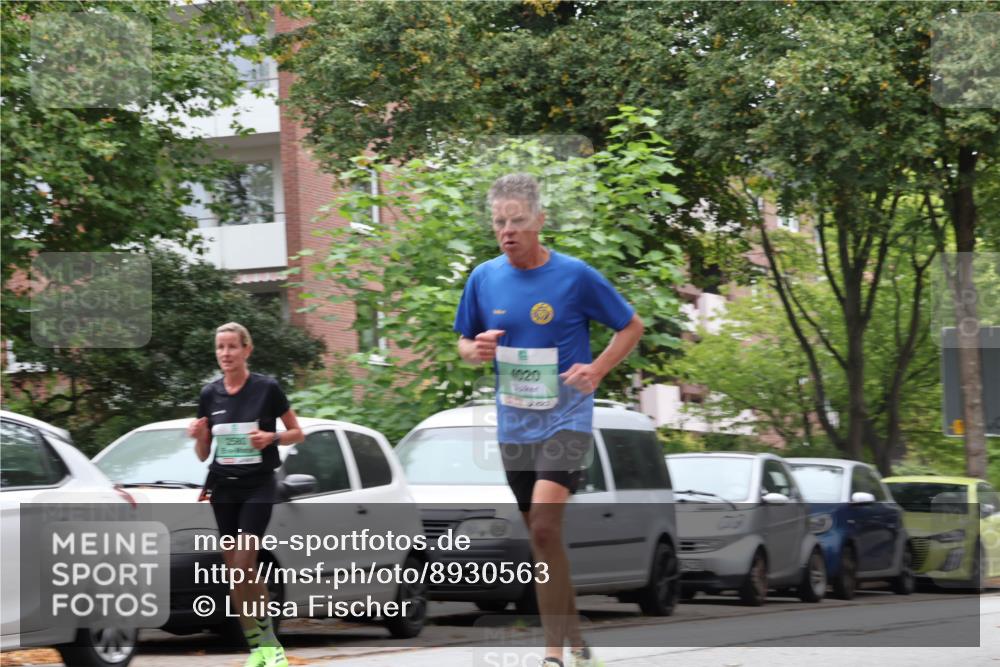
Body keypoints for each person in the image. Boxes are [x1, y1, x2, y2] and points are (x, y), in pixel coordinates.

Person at [455, 173, 643, 667]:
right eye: (499, 222)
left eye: (517, 220)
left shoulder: (575, 276)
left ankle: (553, 655)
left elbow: (631, 325)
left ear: (540, 220)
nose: (507, 230)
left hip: (567, 420)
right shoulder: (484, 278)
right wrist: (475, 350)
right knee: (545, 540)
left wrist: (598, 368)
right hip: (514, 426)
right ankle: (579, 643)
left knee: (541, 529)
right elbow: (463, 342)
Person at [188, 322, 303, 667]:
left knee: (243, 563)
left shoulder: (266, 389)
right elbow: (203, 454)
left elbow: (298, 432)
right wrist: (198, 435)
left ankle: (271, 645)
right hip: (224, 487)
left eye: (232, 347)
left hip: (258, 485)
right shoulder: (209, 394)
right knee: (234, 571)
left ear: (246, 350)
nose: (226, 353)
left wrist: (272, 439)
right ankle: (259, 648)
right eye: (220, 347)